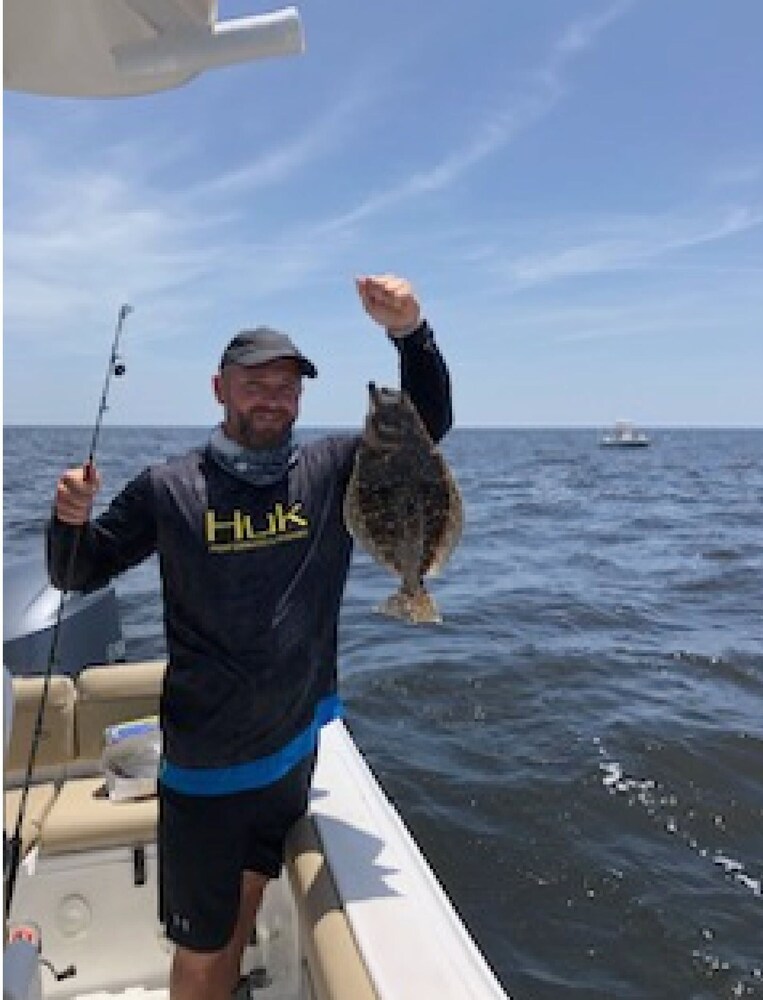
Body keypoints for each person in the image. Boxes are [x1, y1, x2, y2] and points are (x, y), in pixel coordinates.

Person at [47, 273, 453, 1000]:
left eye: (287, 387)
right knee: (202, 953)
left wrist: (411, 333)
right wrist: (69, 521)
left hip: (296, 750)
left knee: (244, 907)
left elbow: (426, 425)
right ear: (220, 389)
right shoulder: (170, 488)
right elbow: (83, 571)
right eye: (255, 383)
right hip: (206, 773)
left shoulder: (329, 471)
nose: (273, 398)